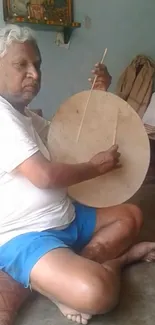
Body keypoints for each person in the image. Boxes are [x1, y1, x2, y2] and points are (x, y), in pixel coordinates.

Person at [0, 24, 155, 325]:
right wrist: (95, 168)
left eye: (37, 65)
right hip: (26, 235)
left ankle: (68, 274)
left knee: (131, 215)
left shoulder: (27, 117)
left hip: (66, 217)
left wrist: (98, 95)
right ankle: (116, 261)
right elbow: (43, 176)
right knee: (97, 293)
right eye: (22, 65)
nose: (34, 73)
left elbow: (73, 140)